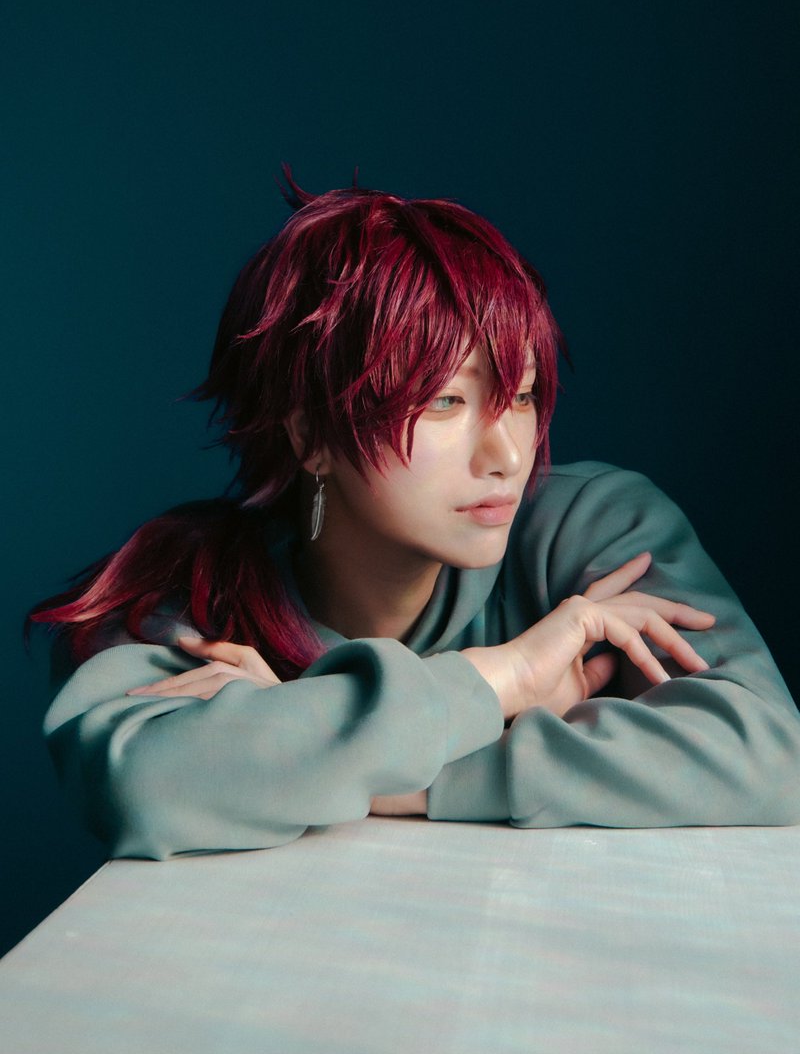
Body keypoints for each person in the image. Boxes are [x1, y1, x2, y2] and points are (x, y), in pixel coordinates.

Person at [27, 168, 800, 858]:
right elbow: (149, 791)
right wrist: (507, 676)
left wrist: (344, 756)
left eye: (522, 396)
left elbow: (768, 754)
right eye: (446, 402)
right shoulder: (188, 594)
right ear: (311, 434)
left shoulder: (594, 528)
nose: (507, 454)